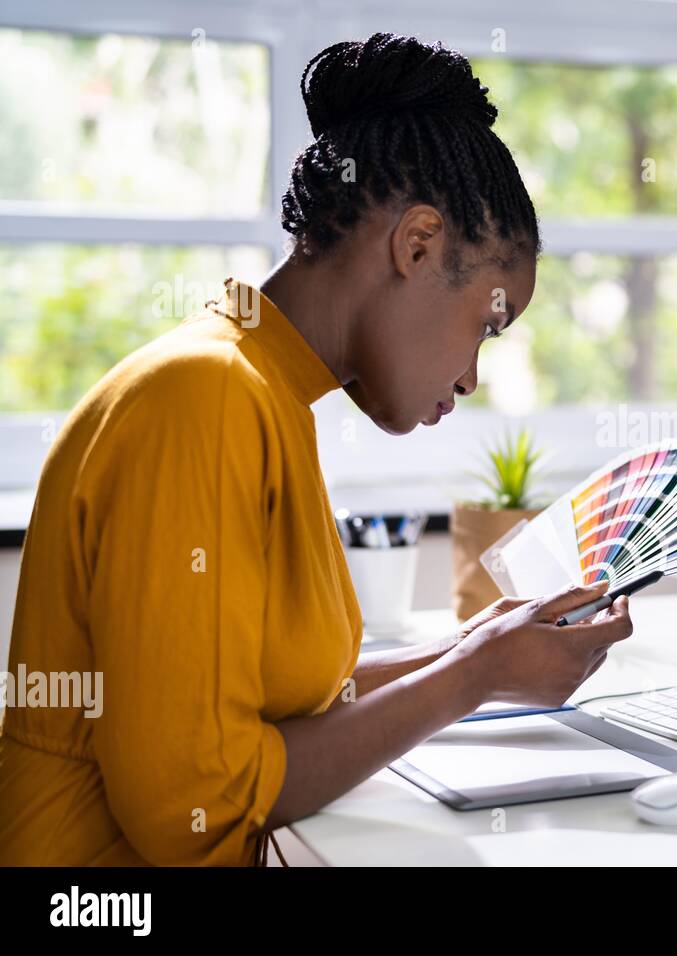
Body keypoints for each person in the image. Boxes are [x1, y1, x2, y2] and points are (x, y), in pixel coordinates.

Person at [0, 33, 633, 866]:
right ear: (415, 244)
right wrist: (472, 678)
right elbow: (195, 802)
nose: (476, 373)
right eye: (487, 322)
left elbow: (262, 705)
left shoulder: (263, 389)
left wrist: (476, 650)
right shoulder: (206, 395)